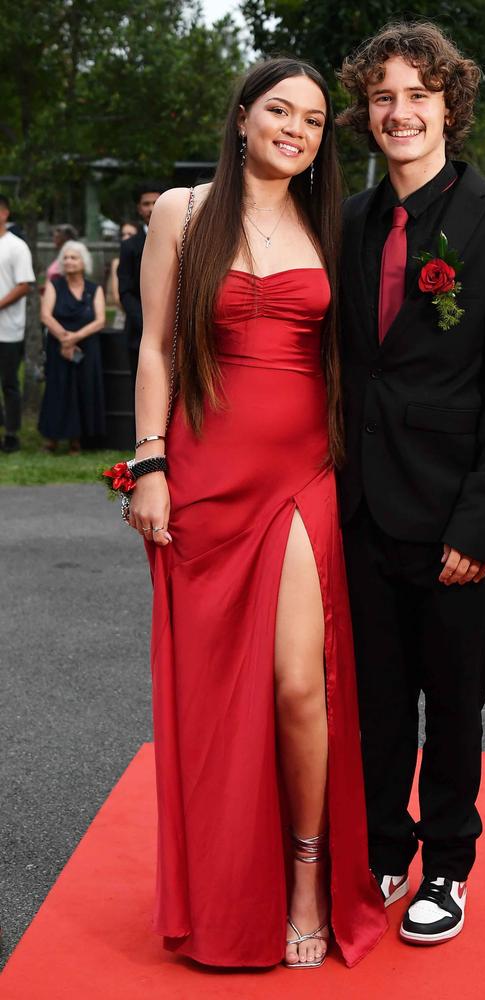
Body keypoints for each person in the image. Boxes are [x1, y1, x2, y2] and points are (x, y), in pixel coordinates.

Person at [126, 57, 387, 970]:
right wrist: (149, 464)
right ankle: (228, 891)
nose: (297, 130)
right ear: (241, 118)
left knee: (298, 686)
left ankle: (308, 875)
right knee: (214, 704)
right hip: (201, 477)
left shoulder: (332, 223)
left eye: (315, 121)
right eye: (280, 110)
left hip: (301, 478)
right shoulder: (181, 213)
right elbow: (155, 348)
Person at [336, 22, 485, 945]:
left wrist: (483, 522)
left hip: (455, 513)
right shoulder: (342, 222)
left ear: (450, 107)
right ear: (366, 113)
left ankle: (448, 864)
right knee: (375, 692)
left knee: (453, 695)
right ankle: (385, 843)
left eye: (419, 94)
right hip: (355, 506)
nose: (401, 112)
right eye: (384, 97)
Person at [39, 241, 106, 453]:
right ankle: (52, 439)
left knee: (82, 390)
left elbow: (100, 320)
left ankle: (77, 441)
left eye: (73, 257)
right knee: (57, 390)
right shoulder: (54, 285)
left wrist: (75, 338)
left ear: (83, 262)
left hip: (87, 347)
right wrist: (64, 338)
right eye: (65, 258)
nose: (68, 261)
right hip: (58, 347)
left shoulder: (95, 289)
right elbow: (45, 315)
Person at [117, 183, 165, 383]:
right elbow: (125, 290)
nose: (152, 208)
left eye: (156, 202)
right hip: (139, 332)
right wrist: (146, 324)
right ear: (139, 208)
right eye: (146, 203)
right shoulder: (130, 246)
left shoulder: (182, 239)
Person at [0, 193, 35, 453]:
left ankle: (11, 434)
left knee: (9, 382)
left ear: (5, 213)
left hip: (8, 329)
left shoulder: (16, 246)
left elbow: (24, 285)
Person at [109, 221, 138, 328]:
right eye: (123, 234)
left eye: (130, 234)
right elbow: (117, 296)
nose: (126, 237)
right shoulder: (117, 262)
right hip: (125, 314)